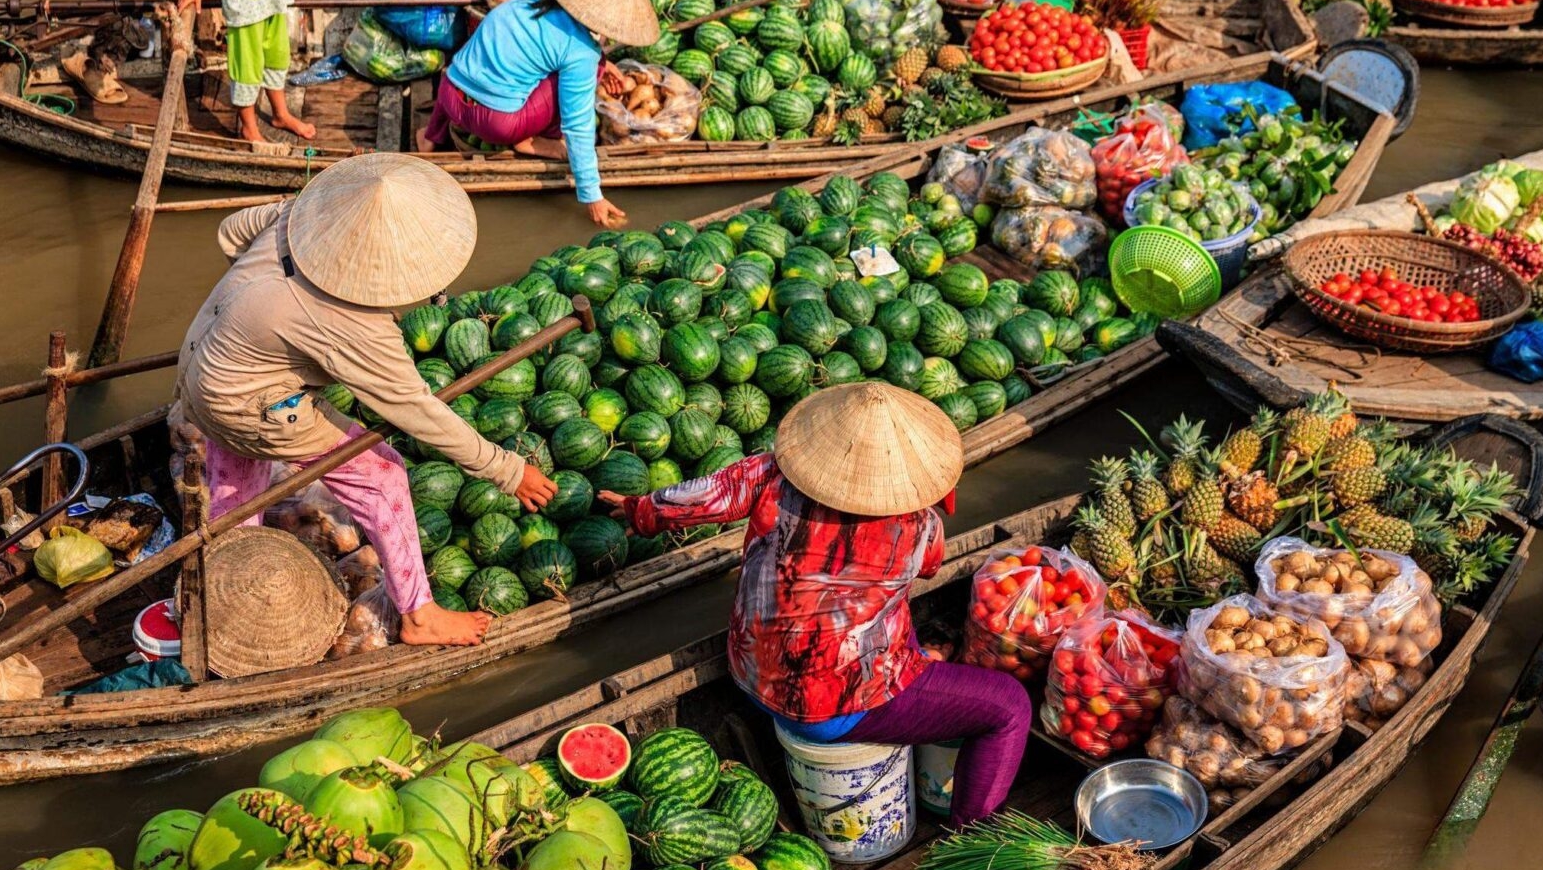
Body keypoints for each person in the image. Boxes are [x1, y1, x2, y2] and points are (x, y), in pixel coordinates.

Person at [598, 383, 1031, 827]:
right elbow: (927, 570)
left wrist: (638, 511)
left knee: (895, 623)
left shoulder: (770, 474)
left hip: (751, 674)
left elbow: (704, 496)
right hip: (831, 709)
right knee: (1010, 707)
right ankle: (970, 840)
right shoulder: (920, 530)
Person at [170, 152, 557, 647]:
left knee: (240, 477)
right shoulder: (356, 327)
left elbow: (231, 231)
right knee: (384, 475)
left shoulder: (295, 217)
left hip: (202, 361)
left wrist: (266, 316)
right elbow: (414, 409)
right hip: (251, 405)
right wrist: (506, 469)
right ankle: (420, 615)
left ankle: (230, 579)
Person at [416, 0, 659, 228]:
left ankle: (430, 137)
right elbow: (578, 123)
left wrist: (601, 61)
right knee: (589, 70)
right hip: (496, 124)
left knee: (480, 66)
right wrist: (592, 196)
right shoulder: (582, 52)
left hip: (450, 89)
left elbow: (537, 39)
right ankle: (537, 140)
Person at [178, 0, 317, 142]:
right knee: (247, 64)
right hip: (243, 0)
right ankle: (249, 128)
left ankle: (281, 114)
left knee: (277, 54)